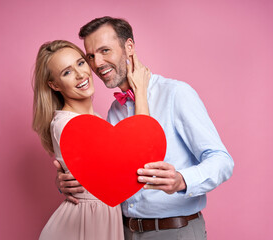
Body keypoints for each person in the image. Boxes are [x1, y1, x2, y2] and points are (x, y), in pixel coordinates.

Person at [56, 16, 234, 240]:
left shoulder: (175, 94)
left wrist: (182, 179)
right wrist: (66, 181)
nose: (97, 63)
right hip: (125, 231)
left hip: (175, 231)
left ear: (128, 47)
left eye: (105, 51)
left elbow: (222, 160)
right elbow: (111, 175)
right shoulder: (114, 111)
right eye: (91, 56)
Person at [32, 39, 150, 240]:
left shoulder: (95, 118)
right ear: (54, 85)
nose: (80, 74)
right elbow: (138, 161)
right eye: (66, 72)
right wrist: (140, 92)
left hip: (103, 218)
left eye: (80, 63)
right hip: (85, 224)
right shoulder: (68, 124)